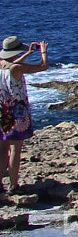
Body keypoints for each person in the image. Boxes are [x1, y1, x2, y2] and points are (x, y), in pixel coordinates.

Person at [0, 35, 48, 196]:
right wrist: (43, 52)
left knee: (2, 149)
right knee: (15, 150)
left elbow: (13, 63)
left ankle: (0, 184)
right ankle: (14, 186)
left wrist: (27, 53)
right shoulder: (16, 69)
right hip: (16, 112)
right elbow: (43, 67)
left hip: (2, 111)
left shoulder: (2, 65)